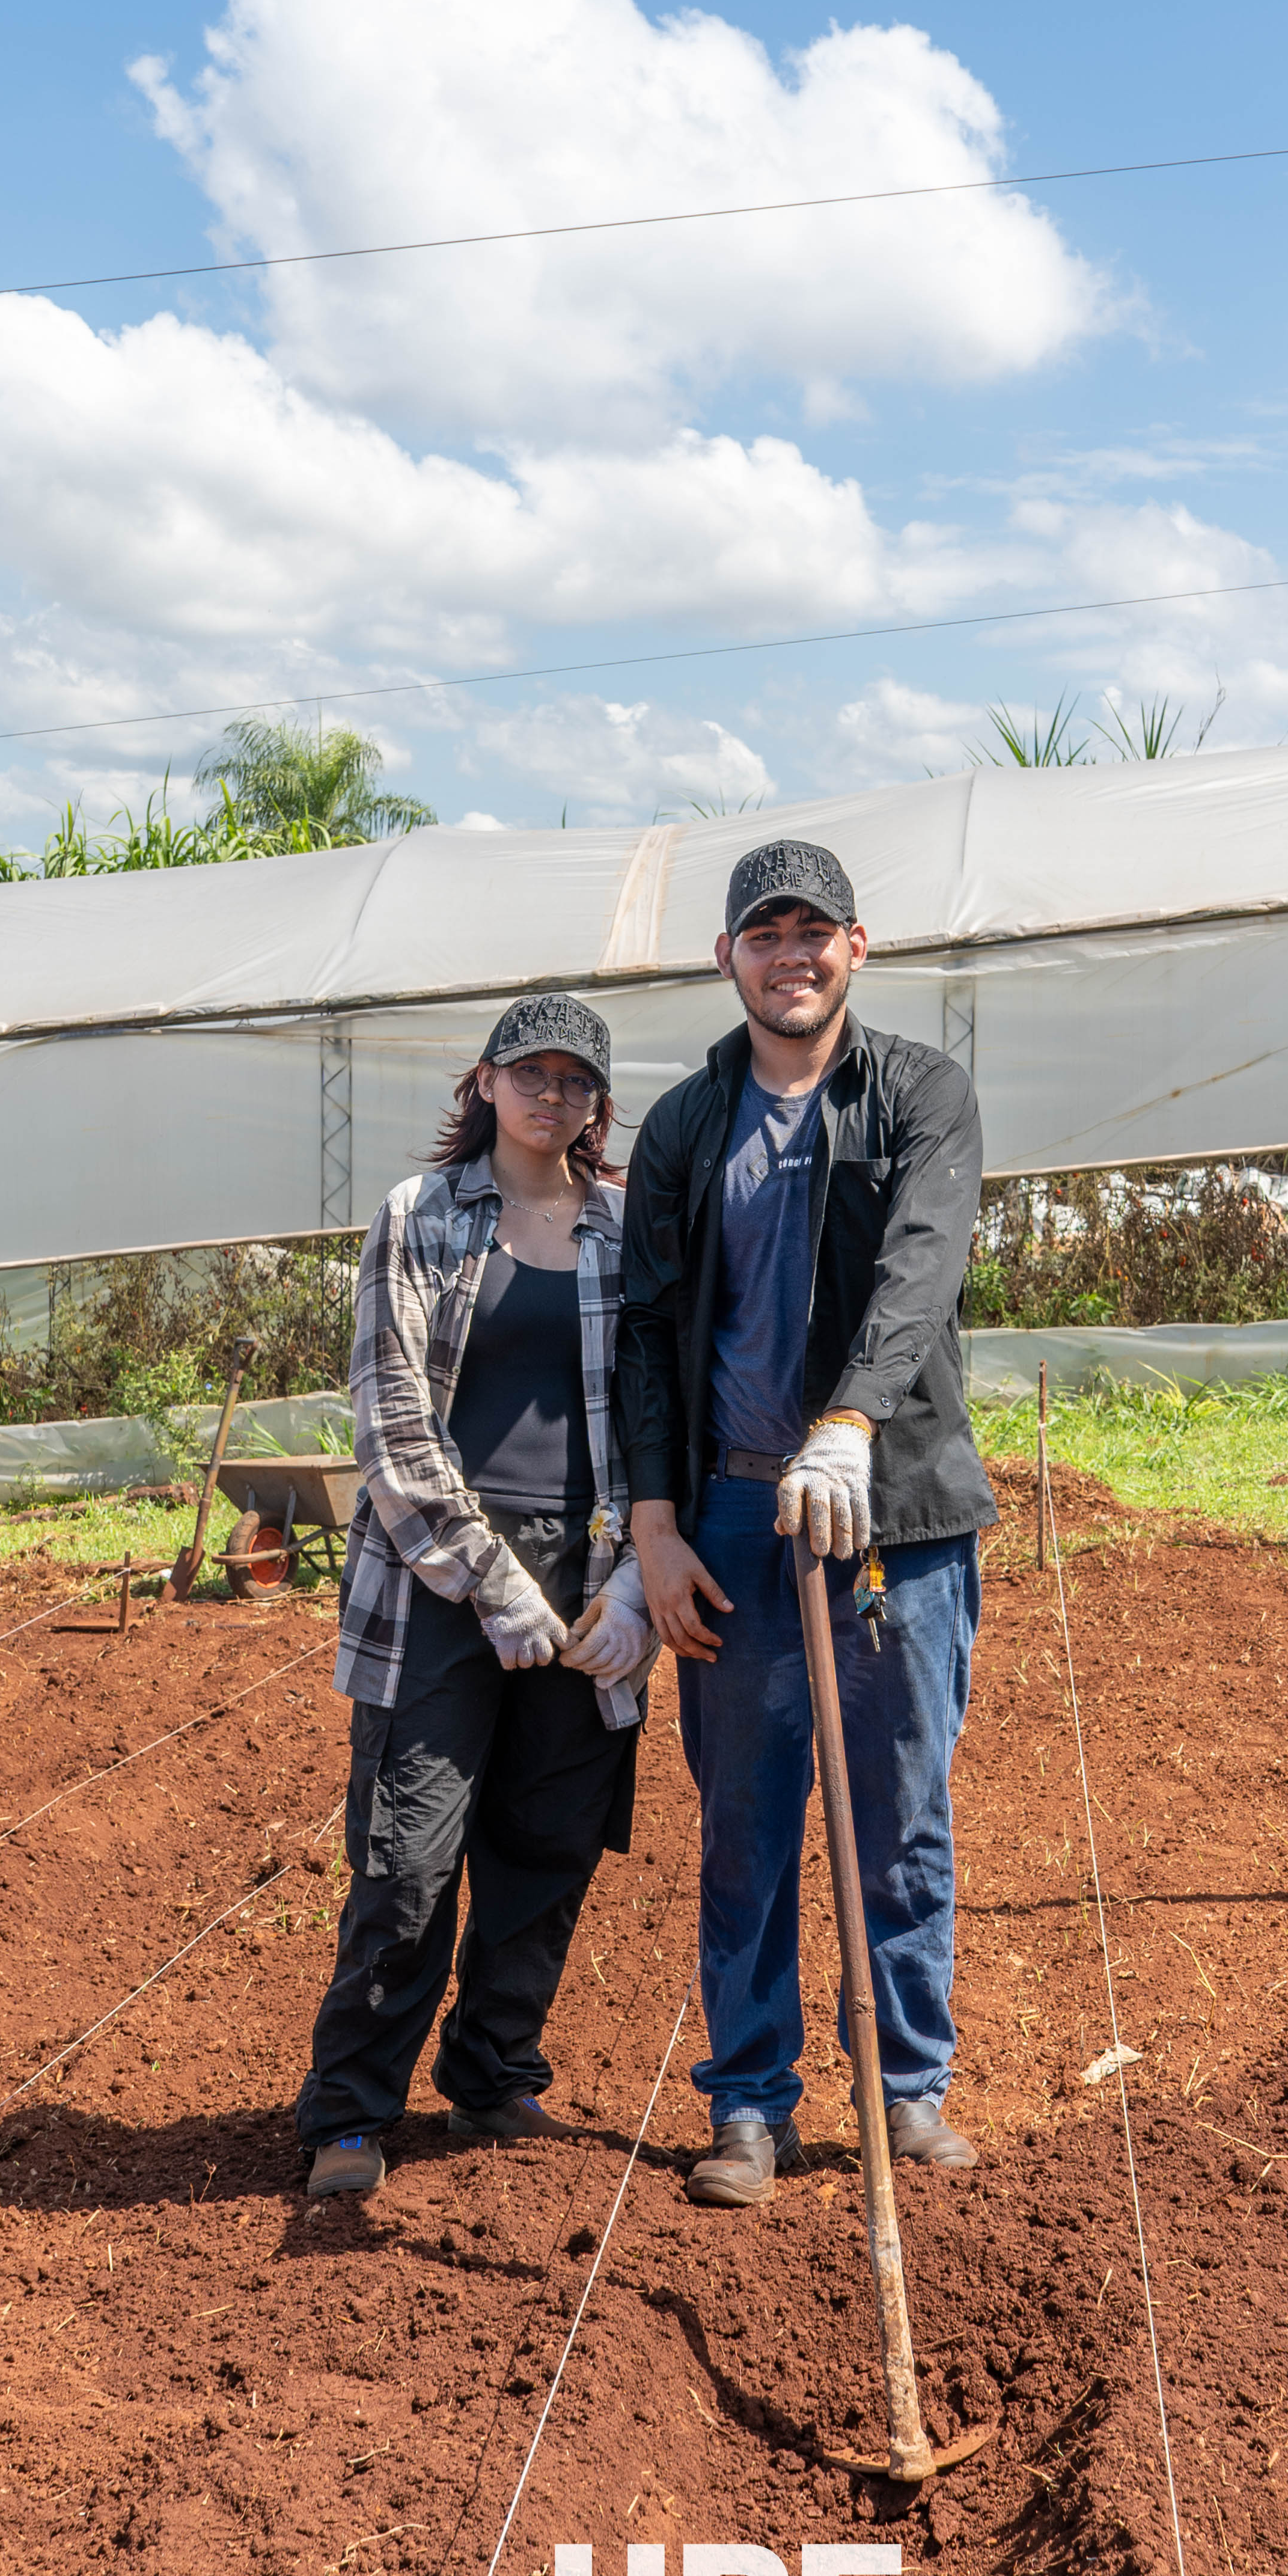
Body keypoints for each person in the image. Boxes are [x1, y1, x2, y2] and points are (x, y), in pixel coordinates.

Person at [618, 837, 997, 2209]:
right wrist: (652, 1528)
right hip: (732, 1516)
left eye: (814, 930)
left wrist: (850, 1426)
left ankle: (905, 2090)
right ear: (728, 957)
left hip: (892, 1509)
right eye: (763, 933)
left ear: (856, 944)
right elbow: (649, 1335)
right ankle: (749, 2104)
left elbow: (919, 1269)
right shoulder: (683, 1127)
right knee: (747, 1821)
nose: (792, 954)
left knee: (898, 1813)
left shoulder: (918, 1094)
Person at [296, 993, 656, 2201]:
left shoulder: (624, 1229)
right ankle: (350, 2111)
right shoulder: (423, 1219)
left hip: (590, 1585)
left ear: (598, 1104)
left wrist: (623, 1588)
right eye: (530, 1075)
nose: (552, 1097)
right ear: (486, 1083)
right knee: (407, 1860)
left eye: (575, 1082)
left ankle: (495, 2077)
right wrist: (496, 1586)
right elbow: (393, 1424)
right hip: (439, 1582)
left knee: (546, 1850)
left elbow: (656, 1422)